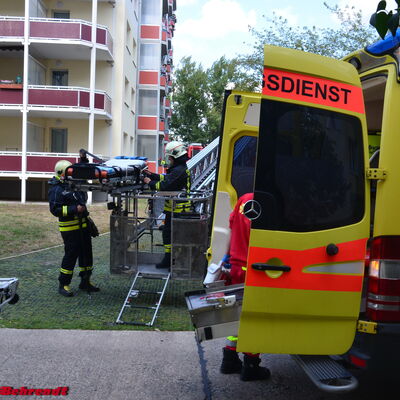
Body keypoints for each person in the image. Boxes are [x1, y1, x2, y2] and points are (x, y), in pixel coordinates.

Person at [220, 193, 271, 381]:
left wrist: (226, 256)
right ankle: (251, 364)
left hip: (235, 266)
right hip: (254, 270)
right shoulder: (269, 202)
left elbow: (231, 226)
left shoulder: (244, 198)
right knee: (255, 319)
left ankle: (229, 359)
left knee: (237, 316)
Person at [48, 159, 100, 297]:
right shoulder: (57, 188)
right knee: (71, 255)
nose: (73, 175)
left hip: (83, 227)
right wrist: (73, 209)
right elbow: (54, 209)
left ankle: (85, 281)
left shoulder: (75, 186)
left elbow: (82, 203)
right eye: (70, 172)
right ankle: (63, 284)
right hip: (69, 229)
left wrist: (89, 222)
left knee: (86, 254)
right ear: (62, 173)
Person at [143, 141, 191, 270]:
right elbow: (167, 179)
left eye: (169, 157)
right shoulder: (177, 169)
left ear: (175, 156)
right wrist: (152, 175)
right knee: (167, 234)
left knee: (176, 236)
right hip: (173, 209)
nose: (168, 160)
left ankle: (175, 262)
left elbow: (165, 186)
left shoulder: (179, 170)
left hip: (180, 211)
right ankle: (168, 259)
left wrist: (150, 182)